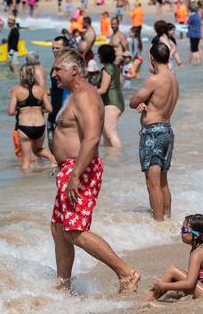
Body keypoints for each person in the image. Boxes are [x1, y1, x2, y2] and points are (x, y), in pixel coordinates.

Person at [50, 49, 140, 293]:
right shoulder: (75, 95)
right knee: (59, 228)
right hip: (70, 168)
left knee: (75, 231)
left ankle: (126, 273)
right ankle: (62, 286)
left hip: (80, 169)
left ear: (74, 70)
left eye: (58, 69)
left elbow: (91, 137)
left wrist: (76, 174)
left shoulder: (85, 96)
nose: (54, 73)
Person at [129, 42, 178, 221]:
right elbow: (159, 102)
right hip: (167, 130)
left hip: (153, 133)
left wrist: (140, 102)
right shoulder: (173, 79)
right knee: (163, 180)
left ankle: (159, 224)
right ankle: (167, 217)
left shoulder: (154, 80)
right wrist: (147, 103)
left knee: (153, 182)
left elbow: (133, 101)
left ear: (151, 58)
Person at [146, 214, 203, 302]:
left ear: (195, 234)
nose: (181, 233)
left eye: (183, 230)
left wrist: (164, 285)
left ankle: (149, 299)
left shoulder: (198, 253)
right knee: (175, 273)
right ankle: (151, 297)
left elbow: (189, 284)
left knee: (172, 270)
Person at [8, 65, 56, 172]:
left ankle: (26, 184)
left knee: (26, 160)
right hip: (39, 126)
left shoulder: (16, 90)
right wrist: (40, 110)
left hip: (25, 127)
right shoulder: (41, 90)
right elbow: (49, 109)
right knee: (38, 149)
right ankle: (54, 161)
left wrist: (21, 110)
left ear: (21, 76)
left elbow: (10, 111)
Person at [97, 45, 124, 148]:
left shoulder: (106, 69)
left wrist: (89, 91)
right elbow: (121, 83)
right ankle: (110, 159)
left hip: (111, 103)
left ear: (102, 56)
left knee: (110, 133)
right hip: (118, 101)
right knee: (106, 134)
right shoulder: (115, 67)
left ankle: (118, 156)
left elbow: (103, 90)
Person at [47, 36, 68, 148]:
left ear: (66, 48)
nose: (54, 51)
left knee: (62, 146)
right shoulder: (56, 63)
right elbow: (57, 86)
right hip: (53, 109)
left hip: (64, 111)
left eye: (57, 48)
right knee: (52, 145)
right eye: (53, 48)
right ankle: (54, 165)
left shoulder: (68, 65)